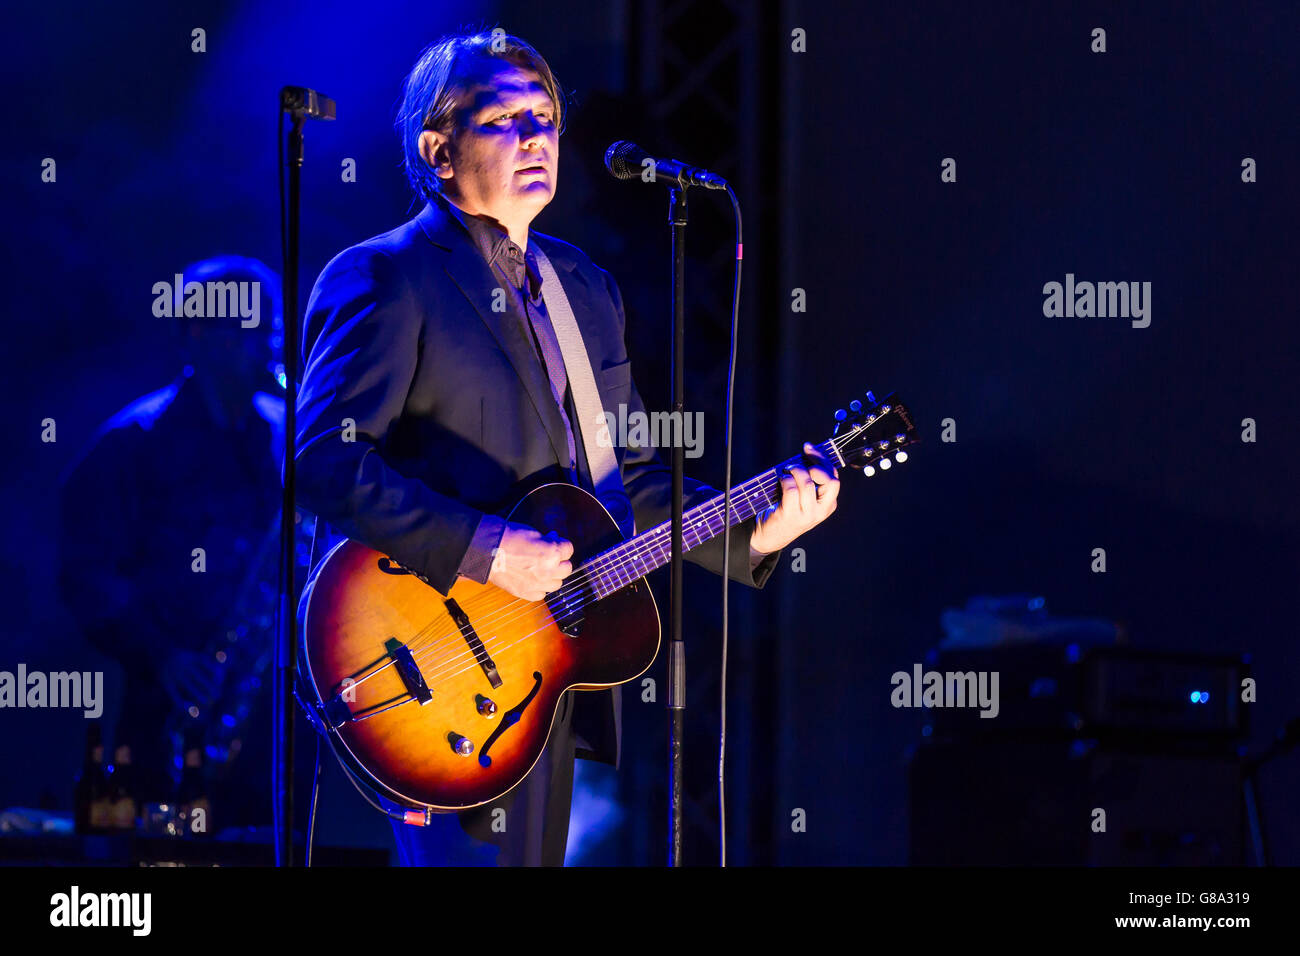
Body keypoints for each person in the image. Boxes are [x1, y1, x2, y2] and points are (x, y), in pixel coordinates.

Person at [294, 29, 840, 866]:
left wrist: (752, 533)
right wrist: (483, 550)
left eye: (544, 118)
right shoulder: (386, 275)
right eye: (505, 118)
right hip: (430, 669)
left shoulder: (584, 288)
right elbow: (327, 462)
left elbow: (624, 485)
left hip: (539, 669)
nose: (535, 137)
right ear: (438, 149)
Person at [58, 256, 287, 832]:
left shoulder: (283, 433)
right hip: (164, 715)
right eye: (249, 331)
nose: (267, 346)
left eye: (271, 330)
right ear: (198, 334)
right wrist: (164, 656)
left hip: (265, 719)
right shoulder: (130, 441)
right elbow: (85, 574)